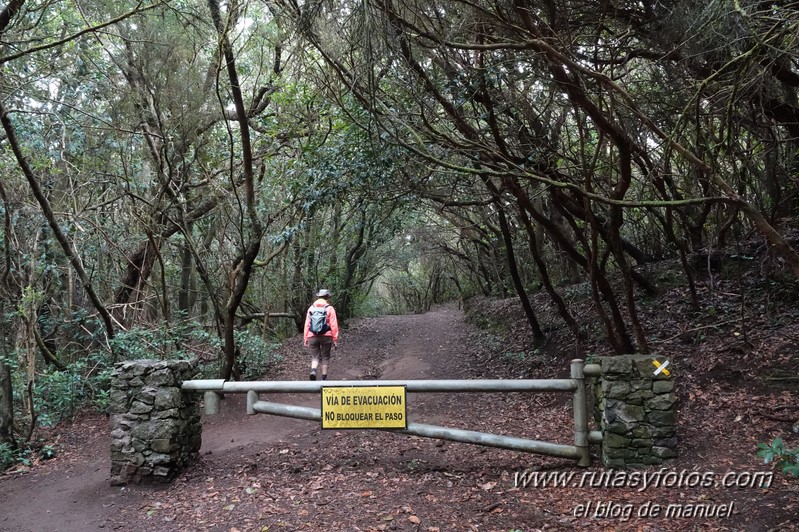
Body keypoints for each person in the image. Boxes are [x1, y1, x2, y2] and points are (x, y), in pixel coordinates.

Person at [303, 288, 339, 381]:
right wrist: (335, 339)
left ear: (318, 296)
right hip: (326, 336)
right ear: (327, 297)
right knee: (325, 357)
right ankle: (323, 379)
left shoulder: (311, 308)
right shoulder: (330, 309)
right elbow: (334, 325)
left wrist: (306, 338)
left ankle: (313, 370)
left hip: (312, 336)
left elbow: (307, 324)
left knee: (315, 356)